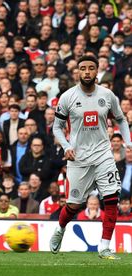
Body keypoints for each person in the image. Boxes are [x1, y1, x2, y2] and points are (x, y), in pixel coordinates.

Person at [50, 56, 132, 260]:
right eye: (83, 68)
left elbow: (121, 119)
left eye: (91, 68)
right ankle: (60, 229)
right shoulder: (67, 97)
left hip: (103, 155)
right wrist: (67, 145)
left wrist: (128, 142)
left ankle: (104, 247)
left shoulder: (107, 95)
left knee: (112, 199)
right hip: (78, 158)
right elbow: (57, 127)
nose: (87, 72)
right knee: (74, 205)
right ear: (78, 72)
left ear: (97, 72)